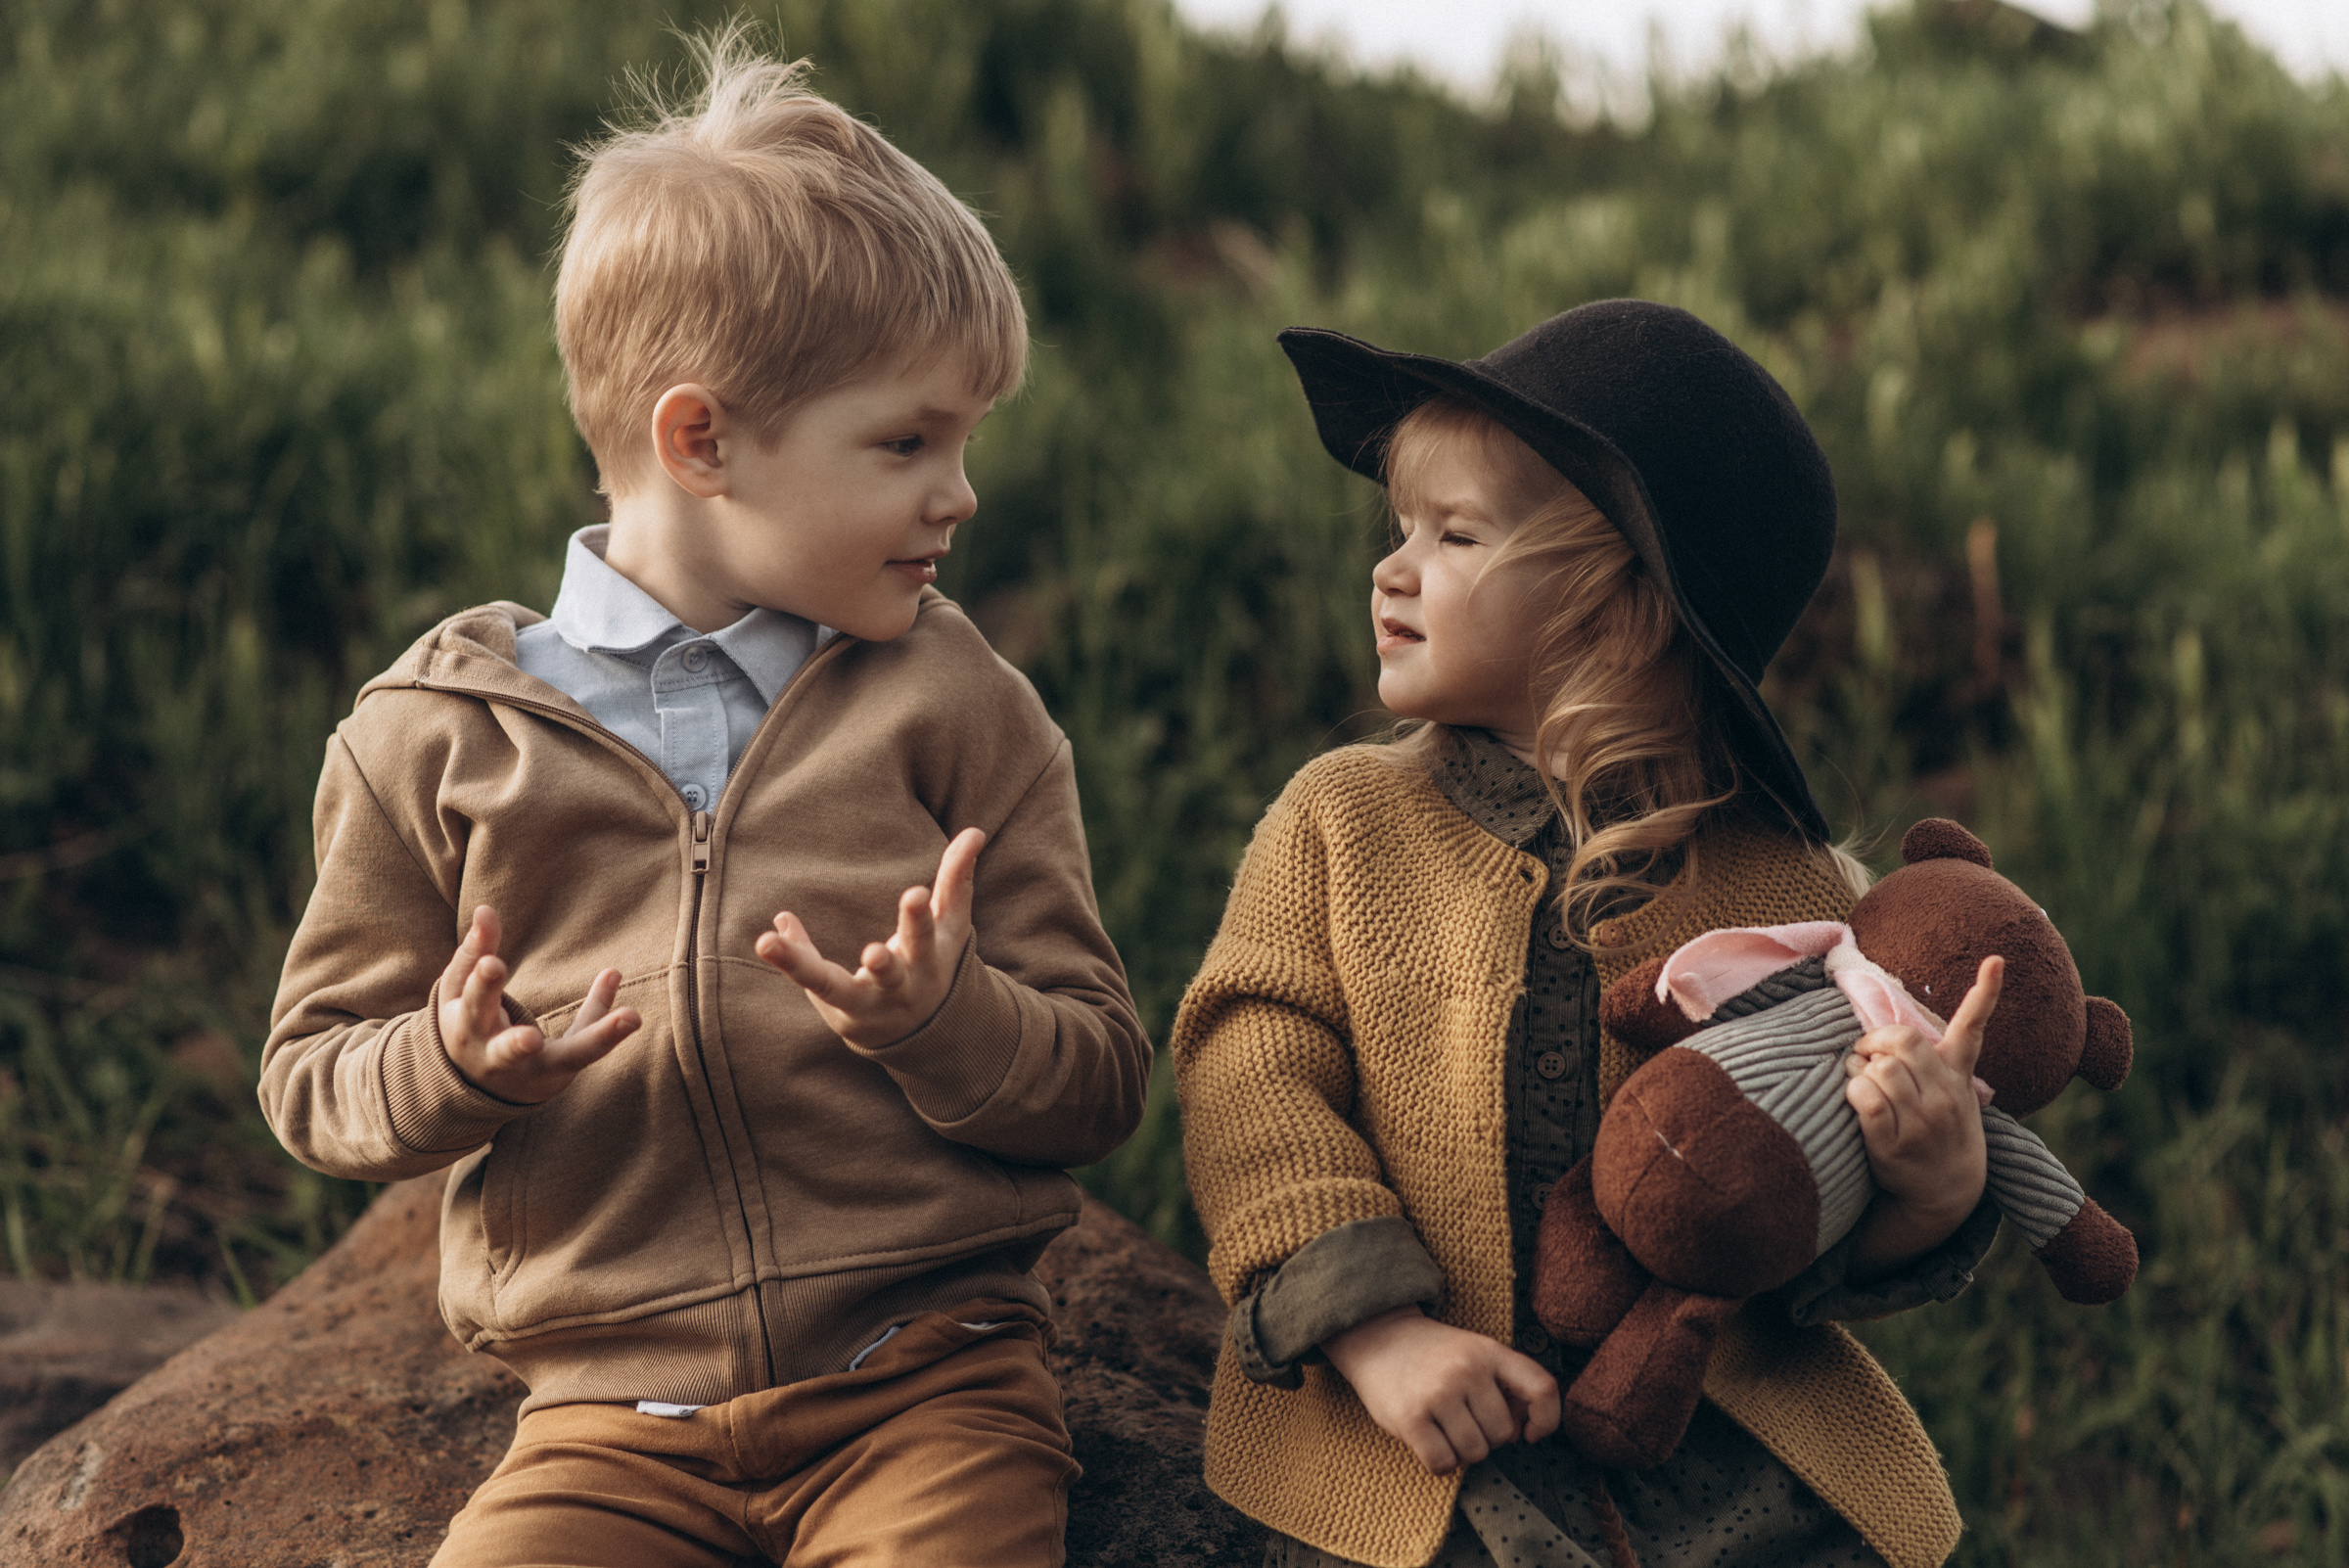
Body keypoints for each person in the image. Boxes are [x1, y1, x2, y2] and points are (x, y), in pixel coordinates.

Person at [258, 31, 1148, 1568]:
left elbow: (1100, 1078)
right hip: (603, 1429)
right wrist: (455, 1064)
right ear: (703, 439)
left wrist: (949, 1024)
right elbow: (311, 1076)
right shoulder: (436, 739)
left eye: (964, 441)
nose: (961, 493)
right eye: (908, 441)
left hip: (929, 1388)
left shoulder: (955, 702)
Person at [1172, 301, 2004, 1568]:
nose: (1393, 568)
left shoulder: (1786, 884)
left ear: (1630, 606)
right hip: (1412, 1438)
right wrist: (1373, 1329)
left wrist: (1926, 1186)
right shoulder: (1344, 820)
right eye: (1400, 528)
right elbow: (1251, 1069)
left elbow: (1798, 1210)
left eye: (1454, 535)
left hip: (1725, 1459)